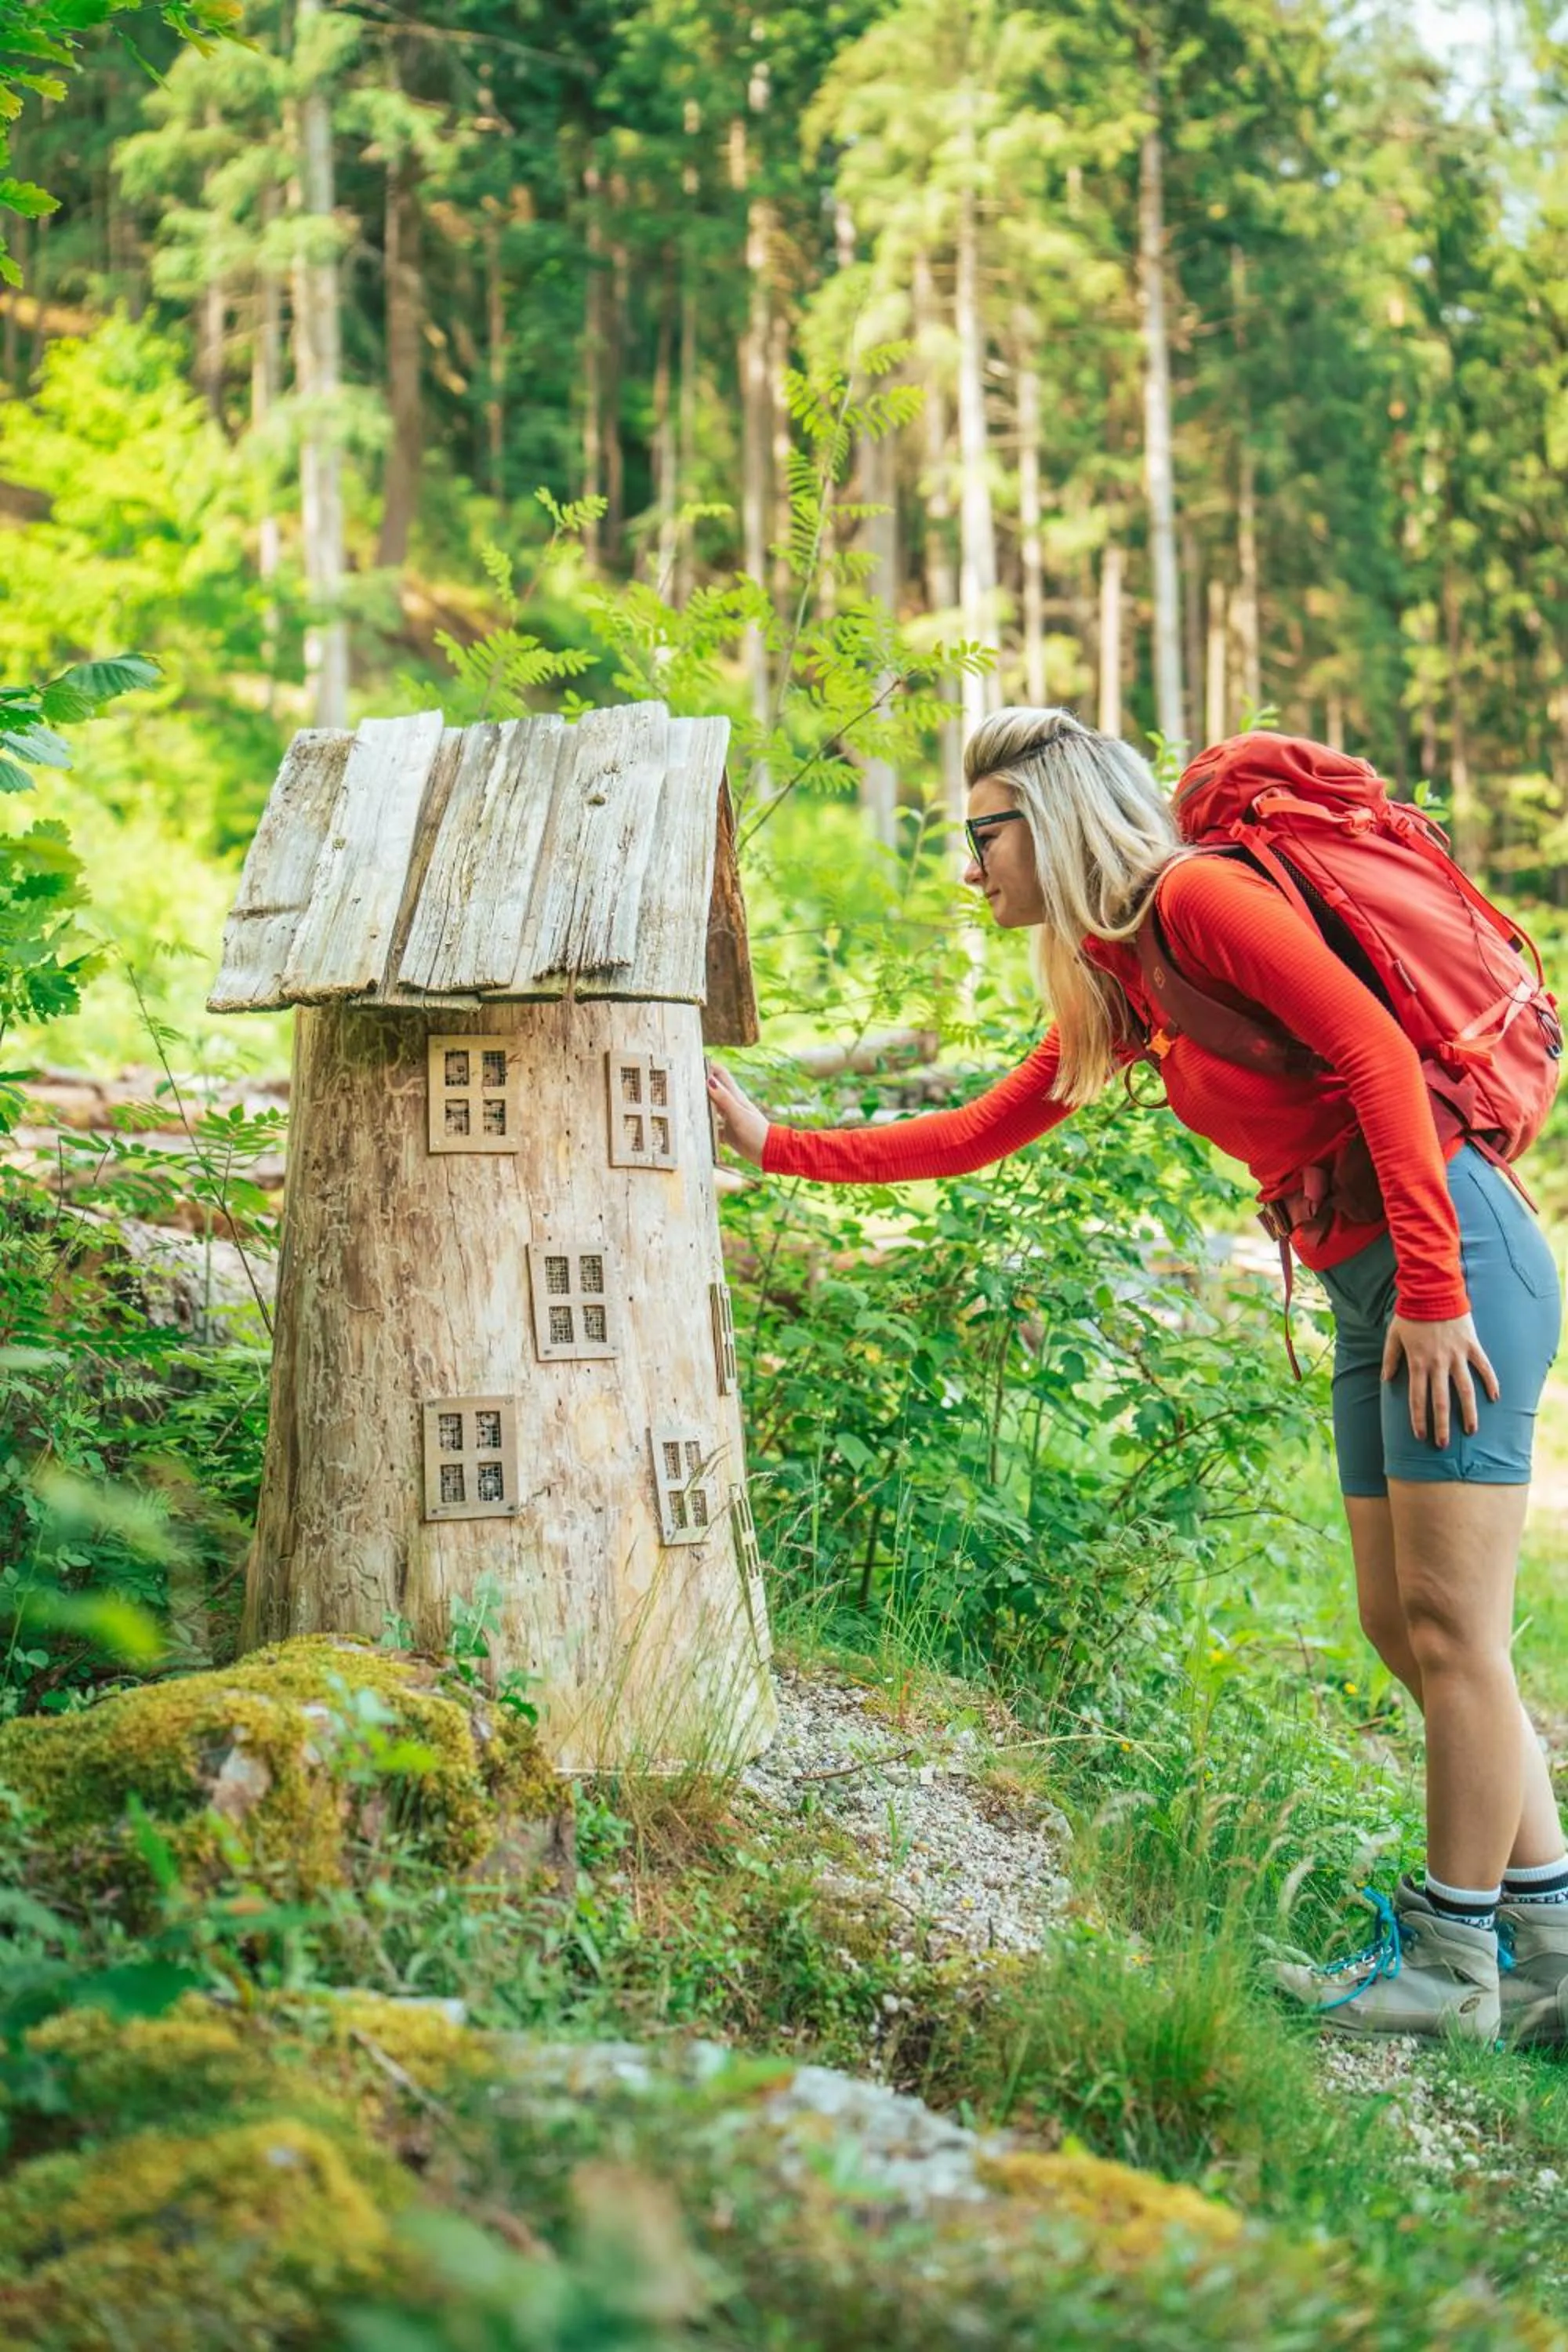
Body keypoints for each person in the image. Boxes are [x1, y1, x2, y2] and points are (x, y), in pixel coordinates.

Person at [706, 704, 1565, 2045]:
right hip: (1369, 1285)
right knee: (1406, 1629)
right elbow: (985, 1128)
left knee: (1453, 1630)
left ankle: (1457, 1971)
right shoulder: (1120, 974)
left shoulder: (1198, 901)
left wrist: (1442, 1292)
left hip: (1448, 1264)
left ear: (1046, 822)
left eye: (979, 833)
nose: (967, 864)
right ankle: (1552, 1950)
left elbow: (1376, 1056)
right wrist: (775, 1147)